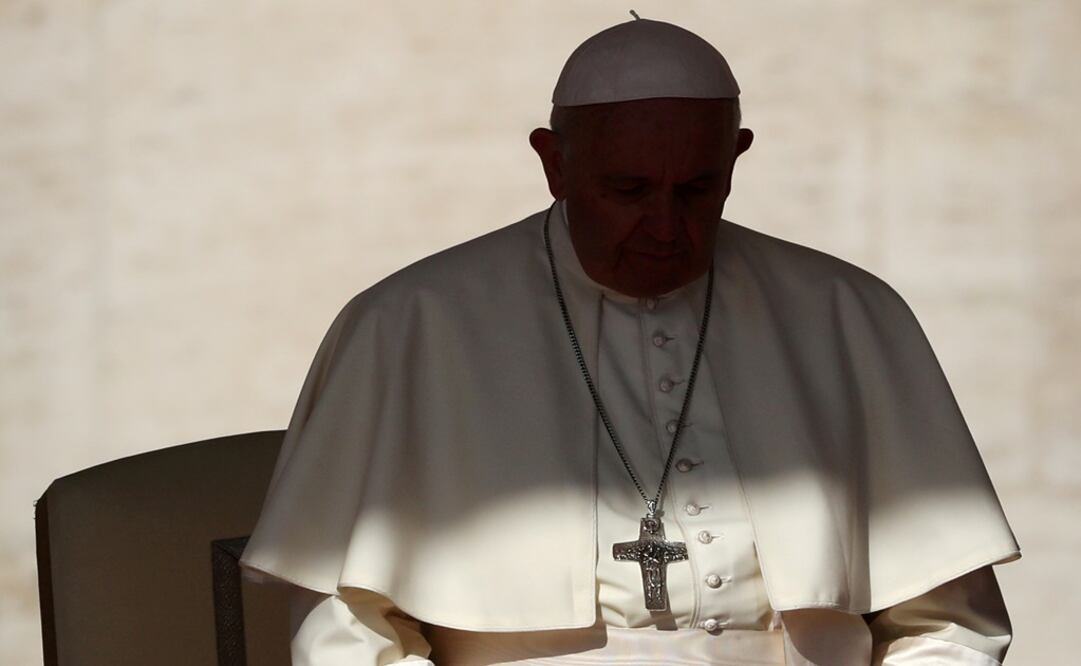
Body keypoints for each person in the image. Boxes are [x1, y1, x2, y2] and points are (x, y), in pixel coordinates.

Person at [240, 14, 1021, 665]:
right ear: (553, 163)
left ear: (735, 159)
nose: (665, 227)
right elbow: (345, 629)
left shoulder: (846, 313)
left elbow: (944, 623)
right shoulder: (410, 325)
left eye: (695, 190)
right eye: (627, 192)